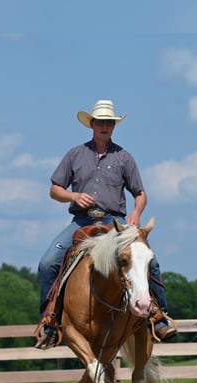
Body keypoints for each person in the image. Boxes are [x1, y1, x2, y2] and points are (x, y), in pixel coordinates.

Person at [35, 99, 177, 349]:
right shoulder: (75, 154)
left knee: (149, 260)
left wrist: (136, 212)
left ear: (114, 126)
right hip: (82, 220)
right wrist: (74, 196)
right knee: (47, 263)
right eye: (100, 122)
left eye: (109, 122)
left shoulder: (124, 157)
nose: (105, 126)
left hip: (116, 221)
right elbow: (54, 190)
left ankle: (159, 316)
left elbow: (140, 193)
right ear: (91, 124)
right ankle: (50, 322)